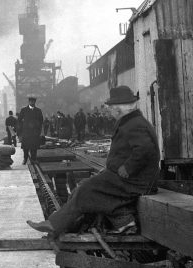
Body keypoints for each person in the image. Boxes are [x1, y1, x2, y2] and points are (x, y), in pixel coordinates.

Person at [27, 86, 160, 237]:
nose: (109, 110)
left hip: (136, 181)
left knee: (87, 190)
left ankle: (56, 224)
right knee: (84, 187)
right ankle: (119, 223)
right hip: (131, 178)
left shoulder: (134, 124)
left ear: (120, 108)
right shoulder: (131, 122)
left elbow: (145, 150)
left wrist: (127, 168)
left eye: (111, 107)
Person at [18, 96, 43, 165]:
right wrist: (21, 130)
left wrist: (38, 129)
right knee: (25, 147)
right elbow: (19, 120)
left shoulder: (38, 111)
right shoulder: (24, 110)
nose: (32, 102)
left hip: (35, 132)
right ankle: (25, 158)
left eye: (33, 101)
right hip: (26, 132)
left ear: (35, 102)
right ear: (29, 102)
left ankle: (33, 159)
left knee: (34, 147)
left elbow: (41, 121)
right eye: (31, 101)